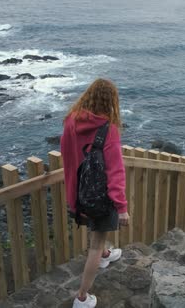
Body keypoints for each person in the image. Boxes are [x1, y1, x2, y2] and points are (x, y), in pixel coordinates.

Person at [61, 78, 130, 308]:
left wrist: (72, 198)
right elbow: (115, 171)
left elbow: (69, 161)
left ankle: (105, 255)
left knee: (97, 239)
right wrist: (122, 208)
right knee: (95, 244)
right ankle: (82, 297)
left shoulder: (71, 121)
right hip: (101, 197)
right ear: (111, 101)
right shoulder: (108, 129)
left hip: (80, 193)